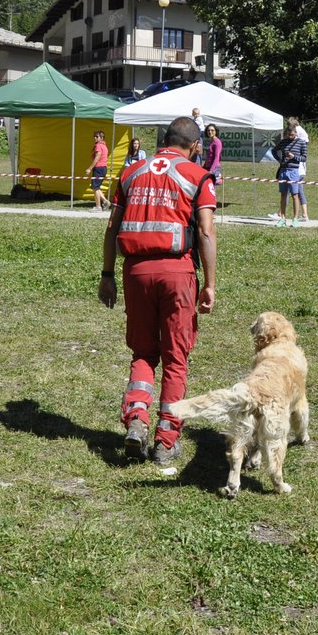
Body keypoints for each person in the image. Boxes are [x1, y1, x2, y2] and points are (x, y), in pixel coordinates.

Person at [98, 116, 218, 465]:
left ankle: (137, 420)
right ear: (195, 146)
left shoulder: (131, 171)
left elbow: (111, 227)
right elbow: (207, 233)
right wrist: (209, 284)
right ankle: (166, 441)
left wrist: (107, 274)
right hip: (177, 272)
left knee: (143, 352)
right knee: (176, 359)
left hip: (135, 271)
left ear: (164, 139)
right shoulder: (197, 176)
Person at [271, 122, 307, 227]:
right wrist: (279, 160)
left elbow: (304, 158)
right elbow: (274, 151)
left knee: (295, 195)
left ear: (296, 133)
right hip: (283, 170)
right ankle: (282, 218)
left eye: (292, 135)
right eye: (288, 135)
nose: (290, 137)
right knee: (283, 194)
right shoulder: (283, 142)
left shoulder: (301, 143)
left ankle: (295, 219)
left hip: (294, 171)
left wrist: (294, 157)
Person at [86, 129, 110, 212]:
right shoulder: (104, 146)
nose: (95, 138)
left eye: (97, 136)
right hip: (103, 168)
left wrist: (90, 168)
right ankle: (106, 201)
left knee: (95, 188)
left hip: (99, 168)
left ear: (101, 137)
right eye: (94, 136)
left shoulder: (98, 146)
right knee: (96, 187)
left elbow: (97, 158)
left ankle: (98, 207)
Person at [199, 123, 224, 205]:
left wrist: (211, 170)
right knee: (205, 188)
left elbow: (217, 157)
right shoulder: (211, 141)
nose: (210, 132)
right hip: (208, 167)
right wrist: (204, 167)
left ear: (216, 131)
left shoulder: (217, 142)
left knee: (211, 188)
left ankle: (212, 209)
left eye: (212, 130)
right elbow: (209, 157)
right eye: (208, 130)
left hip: (214, 168)